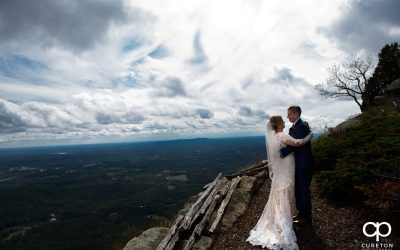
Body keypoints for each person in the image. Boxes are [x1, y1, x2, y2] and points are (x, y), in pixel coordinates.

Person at [247, 115, 312, 250]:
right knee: (286, 189)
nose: (284, 122)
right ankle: (284, 219)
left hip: (280, 169)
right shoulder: (282, 136)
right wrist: (309, 136)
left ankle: (282, 214)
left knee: (280, 190)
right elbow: (298, 143)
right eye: (282, 121)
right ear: (278, 124)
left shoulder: (274, 137)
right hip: (287, 167)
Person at [280, 106, 313, 225]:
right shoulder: (296, 127)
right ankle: (301, 213)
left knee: (303, 190)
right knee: (299, 190)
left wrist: (279, 154)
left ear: (296, 114)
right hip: (298, 163)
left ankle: (306, 217)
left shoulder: (302, 127)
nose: (287, 116)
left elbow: (294, 145)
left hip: (303, 164)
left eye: (289, 114)